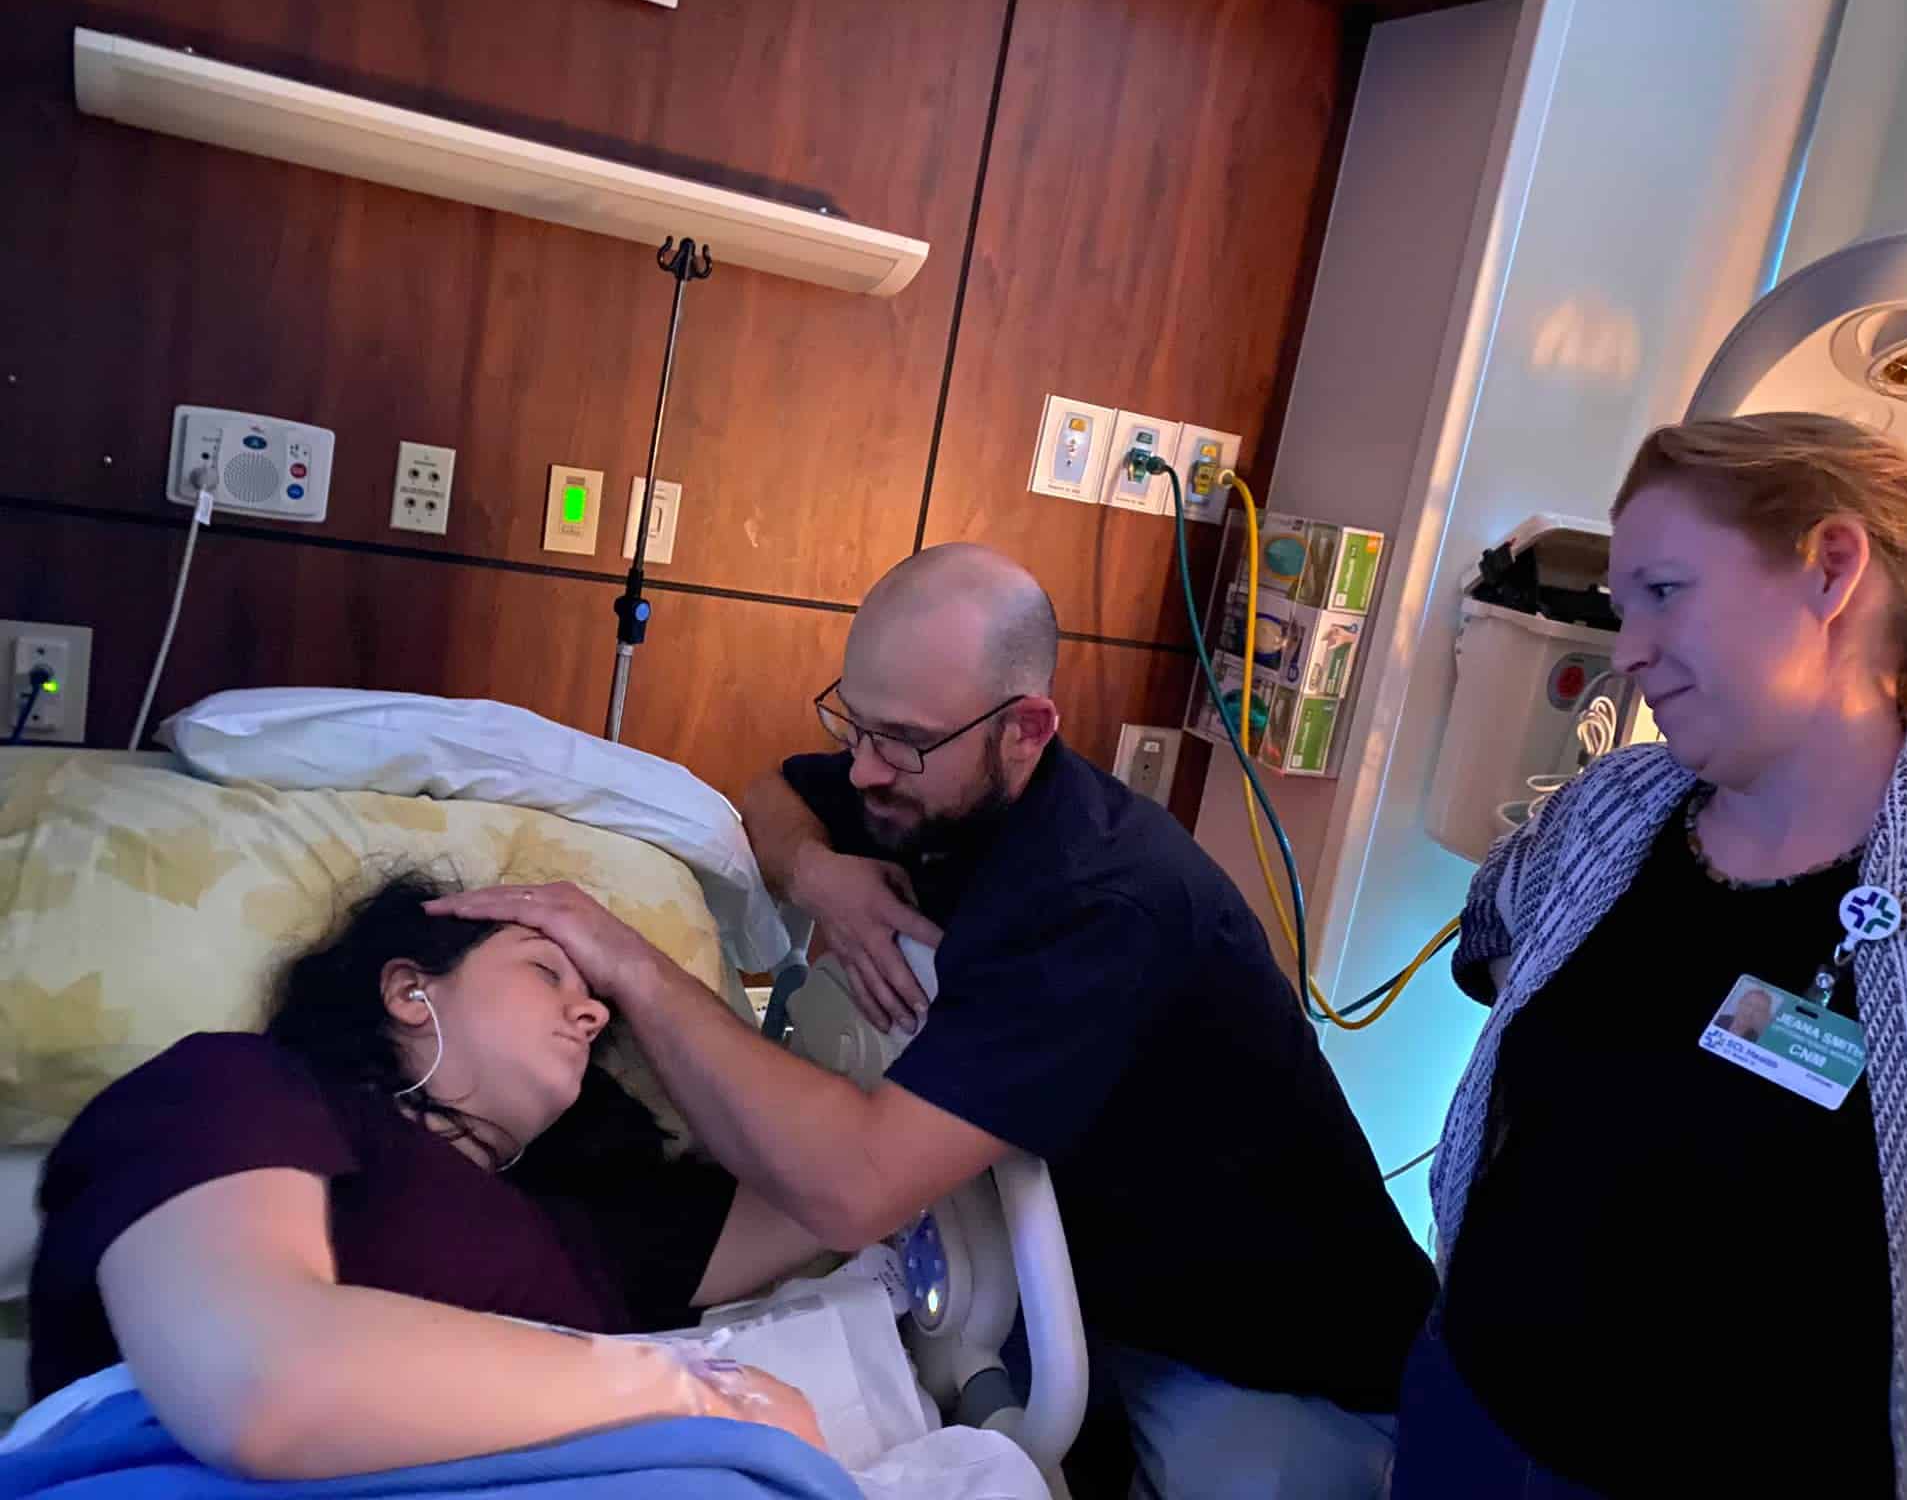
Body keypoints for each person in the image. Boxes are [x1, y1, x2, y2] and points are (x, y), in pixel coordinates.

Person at [433, 544, 1438, 1500]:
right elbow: (772, 793)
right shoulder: (926, 791)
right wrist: (817, 873)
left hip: (1278, 1358)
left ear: (1025, 730)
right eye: (854, 725)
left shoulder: (1097, 906)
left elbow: (854, 1188)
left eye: (902, 743)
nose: (864, 771)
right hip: (1094, 1276)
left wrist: (634, 969)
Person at [1392, 413, 1907, 1500]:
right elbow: (1497, 947)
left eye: (1663, 592)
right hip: (1471, 1416)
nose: (1628, 649)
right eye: (1624, 607)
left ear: (1830, 570)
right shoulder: (1615, 807)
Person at [25, 875, 829, 1480]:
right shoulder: (242, 1086)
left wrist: (643, 977)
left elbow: (839, 1190)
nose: (591, 1013)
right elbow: (262, 1384)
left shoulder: (586, 1233)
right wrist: (701, 1392)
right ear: (410, 991)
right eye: (547, 972)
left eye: (600, 1004)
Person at [1710, 984, 1775, 1042]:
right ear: (1740, 1003)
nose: (1750, 1012)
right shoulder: (1717, 1019)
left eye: (1758, 1010)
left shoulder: (1757, 1040)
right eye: (1749, 1004)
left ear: (1763, 1015)